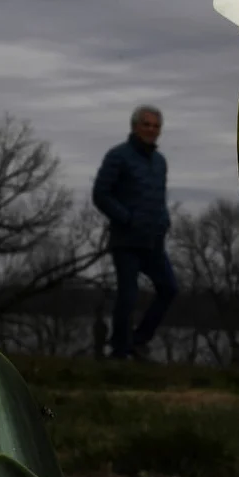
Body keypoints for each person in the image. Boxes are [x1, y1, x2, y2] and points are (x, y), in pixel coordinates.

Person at [92, 105, 179, 360]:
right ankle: (119, 351)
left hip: (154, 240)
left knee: (169, 288)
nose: (151, 130)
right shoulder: (118, 156)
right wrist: (126, 218)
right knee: (128, 296)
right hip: (126, 240)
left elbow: (159, 198)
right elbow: (101, 194)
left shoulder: (160, 162)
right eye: (146, 124)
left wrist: (164, 220)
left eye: (156, 126)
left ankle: (139, 341)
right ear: (135, 127)